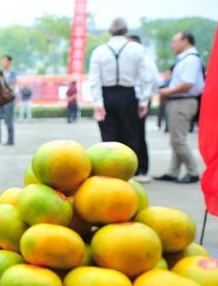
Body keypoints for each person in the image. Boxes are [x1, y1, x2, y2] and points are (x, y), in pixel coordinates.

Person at [88, 18, 151, 177]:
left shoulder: (99, 50)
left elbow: (94, 79)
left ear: (110, 31)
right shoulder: (137, 49)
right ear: (126, 31)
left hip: (107, 94)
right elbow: (145, 77)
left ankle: (110, 171)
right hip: (129, 94)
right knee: (132, 133)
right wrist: (144, 100)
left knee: (109, 136)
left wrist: (98, 103)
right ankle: (135, 170)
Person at [155, 32, 205, 184]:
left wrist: (165, 91)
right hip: (179, 101)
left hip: (182, 101)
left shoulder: (190, 60)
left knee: (178, 140)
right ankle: (173, 172)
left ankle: (193, 172)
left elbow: (187, 84)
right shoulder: (185, 59)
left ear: (186, 41)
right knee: (176, 139)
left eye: (174, 41)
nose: (172, 45)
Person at [128, 34, 161, 183]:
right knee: (132, 134)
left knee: (137, 135)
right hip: (133, 100)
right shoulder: (132, 61)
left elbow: (154, 81)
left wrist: (144, 100)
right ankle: (134, 168)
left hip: (141, 100)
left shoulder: (145, 61)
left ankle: (141, 168)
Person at [0, 55, 16, 145]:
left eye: (5, 61)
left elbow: (13, 86)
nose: (3, 62)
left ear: (9, 62)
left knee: (9, 120)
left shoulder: (12, 72)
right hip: (1, 99)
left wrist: (5, 89)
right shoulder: (1, 72)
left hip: (9, 99)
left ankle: (11, 140)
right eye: (2, 61)